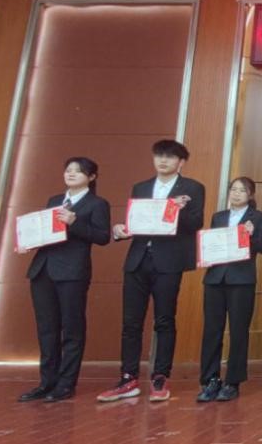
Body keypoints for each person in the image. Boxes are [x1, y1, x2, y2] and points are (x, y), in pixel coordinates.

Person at [98, 139, 205, 403]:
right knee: (131, 322)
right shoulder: (141, 187)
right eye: (159, 156)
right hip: (138, 259)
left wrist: (176, 210)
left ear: (181, 162)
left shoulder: (192, 188)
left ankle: (160, 376)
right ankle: (128, 378)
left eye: (170, 157)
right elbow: (137, 221)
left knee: (164, 320)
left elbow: (195, 223)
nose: (163, 161)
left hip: (169, 262)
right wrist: (121, 230)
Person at [18, 157, 110, 402]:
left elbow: (102, 237)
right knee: (46, 329)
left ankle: (66, 383)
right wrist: (28, 241)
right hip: (43, 269)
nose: (71, 174)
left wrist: (74, 222)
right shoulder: (55, 200)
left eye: (78, 171)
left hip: (72, 272)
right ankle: (46, 382)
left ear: (91, 177)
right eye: (68, 170)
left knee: (72, 328)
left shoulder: (97, 204)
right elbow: (46, 232)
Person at [196, 177, 262, 402]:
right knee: (212, 330)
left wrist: (251, 235)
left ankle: (233, 381)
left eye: (242, 190)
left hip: (241, 280)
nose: (236, 194)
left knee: (238, 331)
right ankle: (210, 379)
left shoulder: (258, 217)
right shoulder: (218, 217)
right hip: (215, 279)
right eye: (233, 189)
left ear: (251, 195)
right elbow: (212, 243)